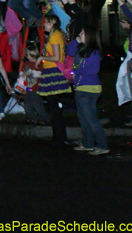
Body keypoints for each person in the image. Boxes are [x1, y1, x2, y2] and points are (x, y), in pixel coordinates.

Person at [68, 25, 109, 155]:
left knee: (91, 118)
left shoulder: (94, 52)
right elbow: (69, 51)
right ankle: (88, 143)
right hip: (81, 87)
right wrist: (77, 40)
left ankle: (103, 145)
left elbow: (93, 70)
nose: (80, 34)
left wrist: (77, 72)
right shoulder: (81, 49)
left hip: (89, 88)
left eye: (82, 33)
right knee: (83, 117)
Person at [36, 14, 71, 147]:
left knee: (54, 107)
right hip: (50, 71)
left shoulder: (55, 35)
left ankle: (59, 137)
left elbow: (56, 57)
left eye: (46, 23)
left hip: (53, 72)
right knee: (53, 106)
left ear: (52, 23)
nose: (44, 25)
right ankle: (58, 136)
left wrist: (41, 58)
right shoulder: (54, 35)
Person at [19, 44, 50, 125]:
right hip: (27, 86)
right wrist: (23, 73)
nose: (28, 56)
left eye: (30, 55)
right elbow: (23, 72)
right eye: (27, 55)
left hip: (36, 87)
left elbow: (40, 74)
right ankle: (30, 118)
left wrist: (32, 73)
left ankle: (44, 118)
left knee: (37, 104)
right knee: (27, 104)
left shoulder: (39, 63)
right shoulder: (27, 63)